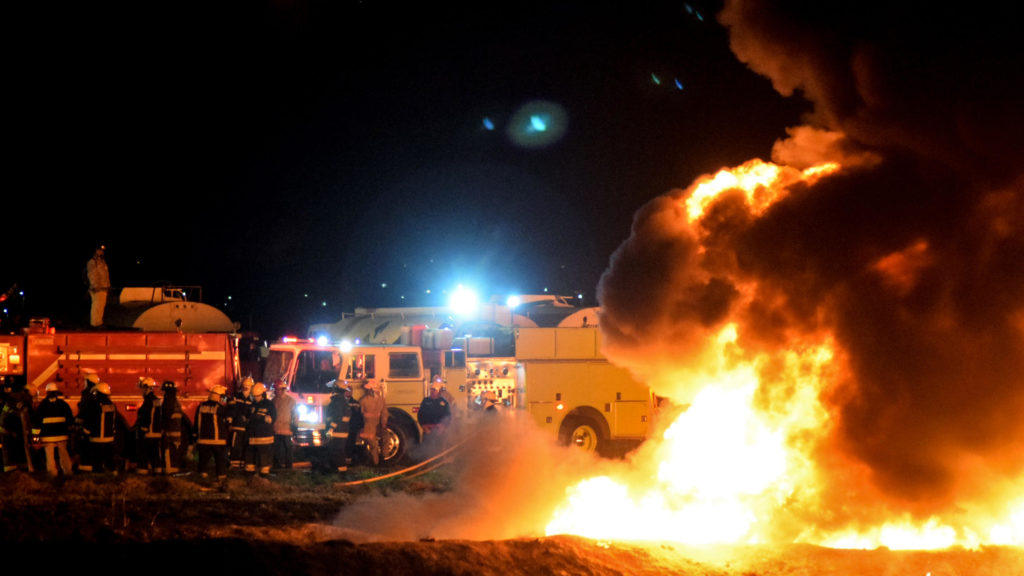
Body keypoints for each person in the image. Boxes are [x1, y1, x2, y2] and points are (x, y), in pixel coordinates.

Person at [31, 382, 74, 477]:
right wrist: (70, 433)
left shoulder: (42, 406)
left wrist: (35, 438)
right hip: (62, 436)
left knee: (50, 457)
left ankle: (52, 474)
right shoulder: (63, 405)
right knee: (64, 455)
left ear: (47, 392)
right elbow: (70, 421)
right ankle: (68, 473)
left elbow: (37, 423)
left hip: (47, 437)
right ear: (56, 392)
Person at [80, 382, 119, 473]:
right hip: (109, 438)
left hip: (97, 438)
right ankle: (114, 473)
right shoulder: (112, 405)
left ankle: (98, 475)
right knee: (109, 458)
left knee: (97, 459)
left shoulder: (95, 405)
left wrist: (85, 433)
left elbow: (91, 420)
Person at [193, 384, 230, 482]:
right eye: (222, 397)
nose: (222, 399)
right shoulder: (220, 407)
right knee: (220, 459)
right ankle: (221, 477)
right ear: (217, 396)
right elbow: (227, 420)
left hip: (203, 439)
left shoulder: (200, 406)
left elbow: (196, 421)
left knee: (203, 459)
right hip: (217, 440)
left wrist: (195, 435)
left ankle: (202, 475)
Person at [0, 378, 35, 472]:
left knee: (7, 449)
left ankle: (10, 469)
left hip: (4, 426)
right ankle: (24, 468)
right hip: (13, 428)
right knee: (19, 448)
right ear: (30, 392)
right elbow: (27, 417)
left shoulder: (14, 396)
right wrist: (30, 434)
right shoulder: (26, 399)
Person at [133, 377, 163, 475]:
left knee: (143, 453)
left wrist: (143, 429)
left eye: (142, 388)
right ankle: (157, 471)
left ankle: (142, 472)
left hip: (148, 433)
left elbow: (146, 416)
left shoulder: (148, 401)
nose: (141, 390)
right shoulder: (156, 400)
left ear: (147, 388)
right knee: (155, 454)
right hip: (156, 432)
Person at [245, 382, 276, 477]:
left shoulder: (269, 405)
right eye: (254, 396)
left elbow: (271, 419)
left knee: (264, 455)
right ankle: (249, 472)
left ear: (262, 394)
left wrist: (259, 417)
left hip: (265, 436)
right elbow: (248, 417)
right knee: (250, 454)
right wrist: (259, 417)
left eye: (257, 396)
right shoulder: (252, 404)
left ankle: (264, 473)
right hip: (253, 435)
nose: (255, 398)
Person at [160, 380, 190, 474]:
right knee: (175, 452)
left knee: (168, 452)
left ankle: (169, 471)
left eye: (164, 391)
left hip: (169, 432)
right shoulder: (175, 401)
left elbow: (166, 417)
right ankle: (174, 469)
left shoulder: (168, 401)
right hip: (176, 431)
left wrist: (162, 429)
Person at [323, 381, 352, 472]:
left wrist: (330, 429)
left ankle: (339, 471)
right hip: (342, 430)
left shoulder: (337, 401)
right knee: (339, 451)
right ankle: (341, 470)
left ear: (335, 388)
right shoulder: (344, 401)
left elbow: (337, 417)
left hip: (337, 431)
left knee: (336, 451)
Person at [417, 378, 451, 454]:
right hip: (428, 431)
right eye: (431, 389)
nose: (432, 391)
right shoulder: (426, 401)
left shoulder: (444, 403)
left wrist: (443, 427)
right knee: (426, 451)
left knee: (439, 451)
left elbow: (448, 416)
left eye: (434, 390)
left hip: (439, 431)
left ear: (439, 391)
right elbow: (420, 415)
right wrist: (423, 426)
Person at [226, 377, 254, 468]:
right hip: (236, 426)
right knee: (235, 446)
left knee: (245, 446)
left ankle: (242, 464)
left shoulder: (252, 400)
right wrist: (229, 423)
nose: (246, 388)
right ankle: (234, 464)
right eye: (245, 386)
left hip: (247, 428)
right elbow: (230, 410)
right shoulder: (235, 397)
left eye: (248, 387)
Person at [358, 380, 388, 466]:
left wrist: (383, 423)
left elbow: (384, 412)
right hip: (368, 425)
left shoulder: (380, 400)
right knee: (373, 445)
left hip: (376, 425)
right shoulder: (364, 400)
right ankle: (377, 463)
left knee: (385, 437)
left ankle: (381, 459)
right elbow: (359, 415)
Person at [270, 381, 296, 470]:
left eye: (277, 389)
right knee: (277, 449)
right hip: (276, 429)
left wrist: (294, 427)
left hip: (286, 429)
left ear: (282, 390)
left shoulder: (290, 401)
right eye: (275, 389)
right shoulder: (273, 400)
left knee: (288, 448)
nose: (275, 391)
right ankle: (277, 466)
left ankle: (288, 466)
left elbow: (295, 415)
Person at [84, 245, 110, 328]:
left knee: (100, 306)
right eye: (99, 250)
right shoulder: (92, 262)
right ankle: (95, 323)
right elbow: (91, 274)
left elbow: (105, 275)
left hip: (103, 287)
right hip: (97, 288)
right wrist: (95, 285)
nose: (101, 252)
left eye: (102, 251)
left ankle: (98, 322)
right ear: (95, 251)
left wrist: (108, 285)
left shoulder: (102, 261)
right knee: (96, 306)